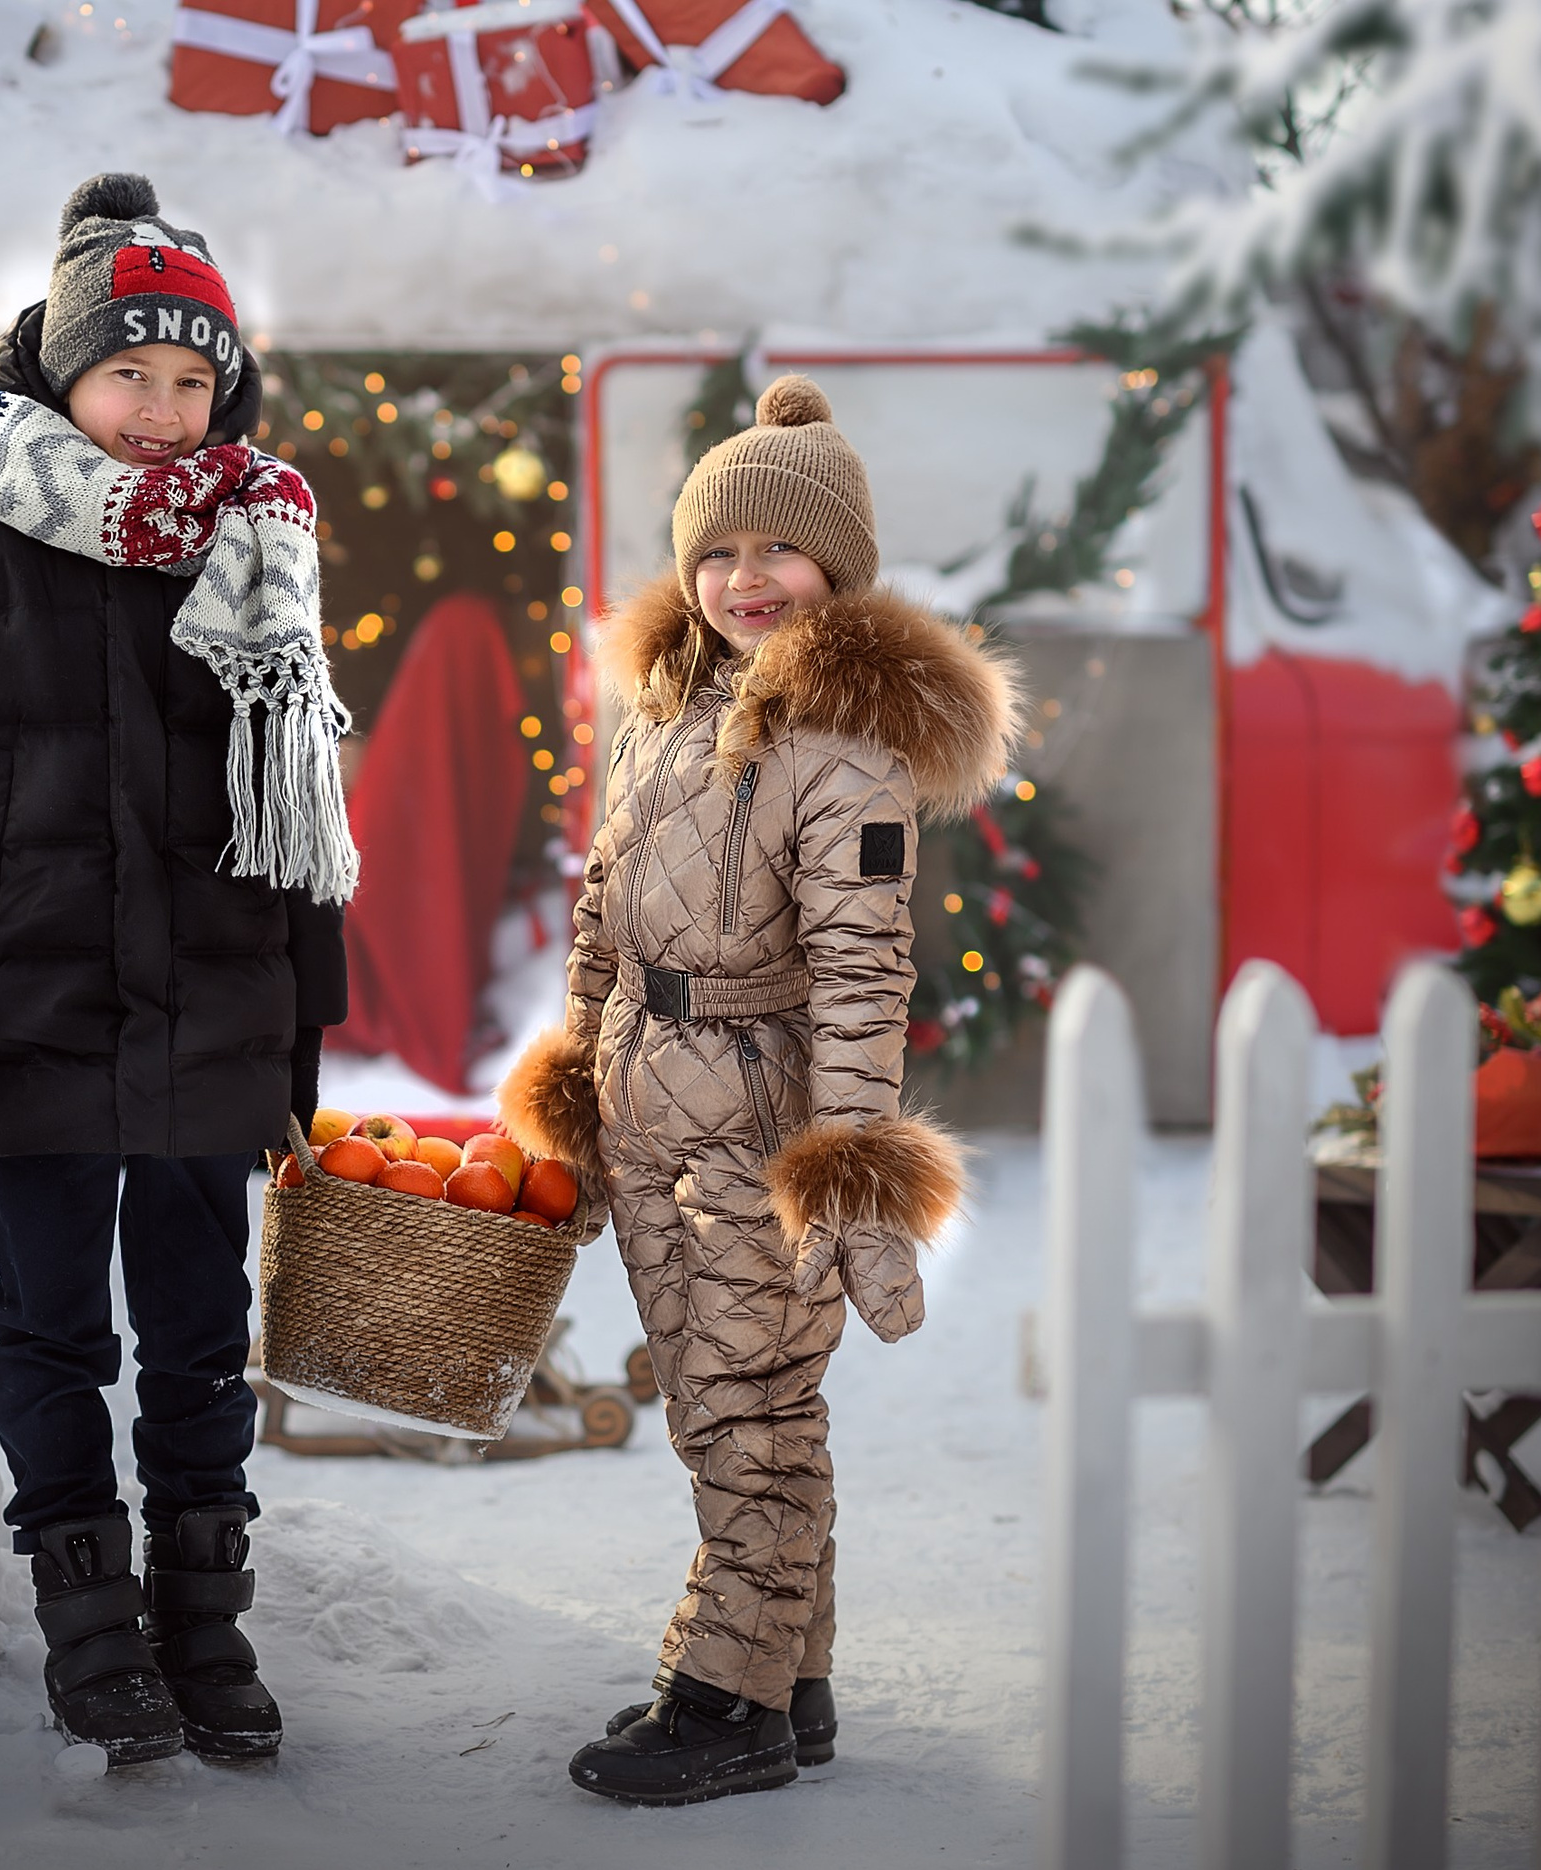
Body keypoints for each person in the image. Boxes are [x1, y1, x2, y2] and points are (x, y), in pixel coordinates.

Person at [0, 172, 355, 1768]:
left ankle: (207, 1624)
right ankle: (89, 1624)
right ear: (59, 371)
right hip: (32, 1001)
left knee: (202, 1324)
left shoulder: (261, 540)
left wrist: (303, 1021)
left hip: (213, 1000)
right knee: (55, 1318)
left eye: (193, 379)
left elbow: (301, 797)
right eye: (129, 371)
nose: (159, 406)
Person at [502, 375, 1018, 1806]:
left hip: (757, 1108)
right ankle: (793, 1668)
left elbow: (863, 976)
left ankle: (726, 1692)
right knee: (731, 1395)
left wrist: (850, 1158)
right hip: (653, 1096)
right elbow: (605, 912)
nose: (745, 578)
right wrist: (578, 1076)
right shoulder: (668, 709)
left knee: (746, 1404)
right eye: (719, 551)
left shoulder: (843, 752)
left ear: (835, 569)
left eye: (778, 551)